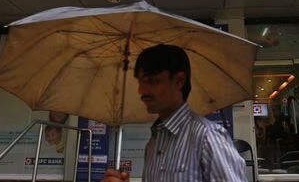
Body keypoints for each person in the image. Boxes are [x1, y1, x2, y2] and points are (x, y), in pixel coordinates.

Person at [101, 44, 247, 182]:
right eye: (141, 82)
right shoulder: (153, 143)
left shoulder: (208, 137)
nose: (142, 90)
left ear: (179, 81)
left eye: (152, 81)